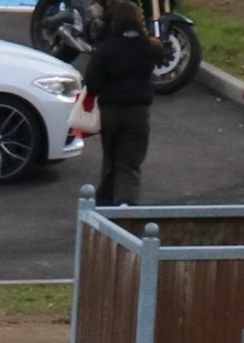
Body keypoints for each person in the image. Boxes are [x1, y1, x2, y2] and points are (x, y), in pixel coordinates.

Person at [82, 1, 157, 209]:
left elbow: (92, 82)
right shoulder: (149, 46)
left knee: (111, 158)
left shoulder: (107, 48)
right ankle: (127, 204)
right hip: (138, 112)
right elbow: (162, 56)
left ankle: (104, 202)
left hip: (110, 111)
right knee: (130, 162)